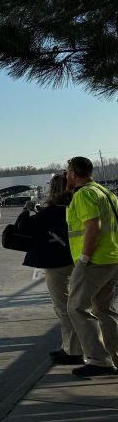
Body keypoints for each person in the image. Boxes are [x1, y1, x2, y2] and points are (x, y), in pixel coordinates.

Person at [15, 175, 81, 364]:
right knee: (80, 306)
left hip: (57, 262)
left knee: (63, 306)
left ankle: (73, 350)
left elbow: (24, 227)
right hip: (78, 259)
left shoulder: (53, 211)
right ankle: (73, 346)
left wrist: (26, 211)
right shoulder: (76, 207)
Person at [64, 156, 118, 377]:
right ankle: (114, 356)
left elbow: (92, 229)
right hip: (112, 257)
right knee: (104, 310)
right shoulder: (106, 193)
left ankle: (98, 360)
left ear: (74, 173)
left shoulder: (85, 194)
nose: (66, 175)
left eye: (68, 171)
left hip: (94, 261)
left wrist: (84, 259)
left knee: (75, 307)